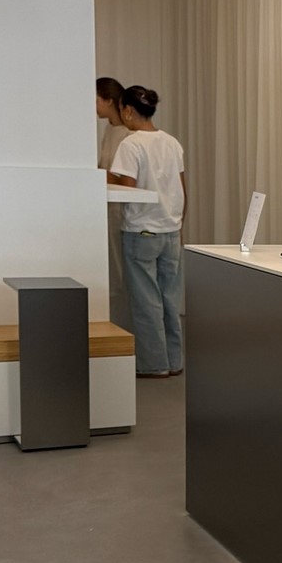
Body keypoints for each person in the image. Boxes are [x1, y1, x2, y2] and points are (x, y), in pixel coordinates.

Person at [108, 86, 186, 379]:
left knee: (146, 302)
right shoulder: (172, 142)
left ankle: (153, 364)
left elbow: (128, 190)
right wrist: (178, 222)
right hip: (170, 229)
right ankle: (174, 361)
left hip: (140, 230)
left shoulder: (131, 144)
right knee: (169, 300)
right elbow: (182, 188)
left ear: (128, 110)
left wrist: (105, 177)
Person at [96, 77, 131, 331]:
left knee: (121, 267)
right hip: (108, 207)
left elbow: (123, 176)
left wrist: (100, 174)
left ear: (109, 101)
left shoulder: (129, 134)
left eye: (96, 100)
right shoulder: (109, 130)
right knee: (112, 265)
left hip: (123, 210)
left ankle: (123, 323)